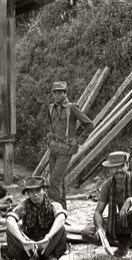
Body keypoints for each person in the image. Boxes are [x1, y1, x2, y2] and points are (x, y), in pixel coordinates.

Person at [1, 176, 67, 260]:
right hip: (29, 247)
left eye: (38, 190)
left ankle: (42, 258)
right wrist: (23, 241)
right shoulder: (24, 206)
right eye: (31, 192)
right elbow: (10, 220)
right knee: (10, 230)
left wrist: (48, 238)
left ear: (44, 190)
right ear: (27, 194)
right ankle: (42, 258)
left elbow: (61, 217)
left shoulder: (53, 204)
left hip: (50, 244)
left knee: (61, 228)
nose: (35, 194)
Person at [46, 81, 94, 209]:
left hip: (65, 150)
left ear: (65, 93)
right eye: (54, 92)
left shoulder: (72, 108)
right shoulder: (51, 108)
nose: (56, 95)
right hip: (53, 149)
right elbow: (52, 127)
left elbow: (89, 125)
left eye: (60, 93)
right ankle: (63, 210)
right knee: (58, 181)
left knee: (54, 181)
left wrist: (77, 141)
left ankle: (53, 210)